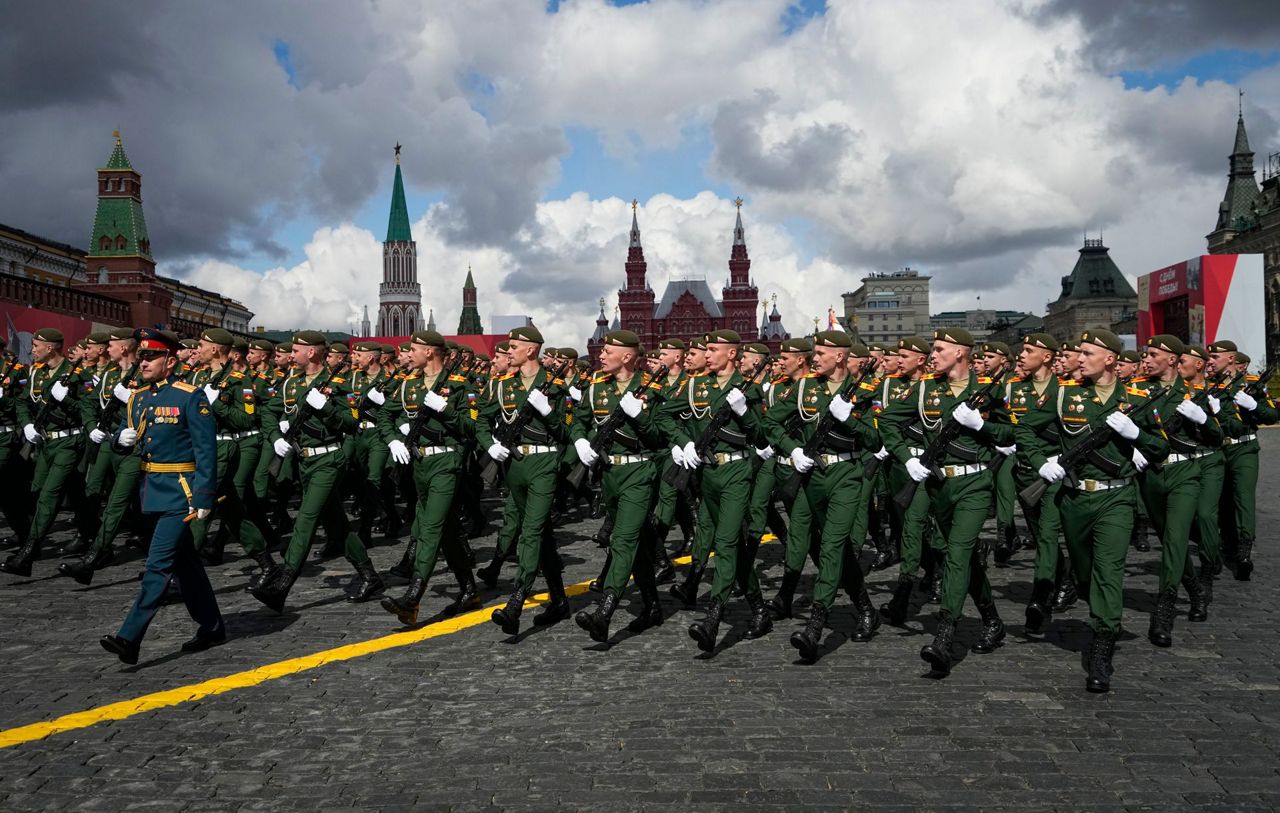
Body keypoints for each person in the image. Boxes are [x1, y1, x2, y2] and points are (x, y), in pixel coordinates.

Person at [1017, 329, 1167, 692]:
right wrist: (1041, 463)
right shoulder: (1063, 395)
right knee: (1086, 575)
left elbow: (1161, 449)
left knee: (1109, 570)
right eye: (1079, 353)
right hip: (1074, 500)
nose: (1078, 359)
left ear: (1111, 359)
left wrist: (1135, 435)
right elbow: (1025, 430)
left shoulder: (1137, 398)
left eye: (1087, 353)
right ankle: (1090, 597)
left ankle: (1102, 642)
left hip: (1116, 498)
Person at [878, 328, 1013, 675]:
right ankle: (992, 620)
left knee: (956, 554)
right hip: (939, 485)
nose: (932, 355)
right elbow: (889, 420)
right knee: (964, 557)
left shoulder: (987, 391)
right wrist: (908, 457)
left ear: (961, 353)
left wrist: (982, 425)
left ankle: (945, 634)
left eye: (939, 349)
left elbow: (1012, 434)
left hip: (974, 483)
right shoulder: (925, 389)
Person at [99, 328, 224, 665]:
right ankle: (212, 626)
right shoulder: (139, 397)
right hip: (152, 491)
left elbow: (206, 451)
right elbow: (138, 441)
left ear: (170, 361)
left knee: (157, 566)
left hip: (180, 493)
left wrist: (203, 496)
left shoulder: (189, 396)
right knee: (186, 565)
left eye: (151, 356)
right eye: (142, 356)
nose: (144, 362)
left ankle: (130, 637)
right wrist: (118, 440)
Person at [764, 330, 882, 661]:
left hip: (846, 475)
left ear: (841, 357)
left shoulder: (864, 391)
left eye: (821, 353)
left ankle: (816, 624)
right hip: (811, 474)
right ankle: (867, 609)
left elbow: (875, 441)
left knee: (831, 545)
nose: (814, 358)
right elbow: (769, 424)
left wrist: (852, 423)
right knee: (834, 547)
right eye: (814, 352)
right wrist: (792, 449)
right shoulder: (804, 389)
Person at [250, 331, 384, 612]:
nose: (290, 354)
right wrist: (275, 436)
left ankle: (282, 584)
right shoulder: (291, 384)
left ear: (311, 352)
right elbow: (268, 412)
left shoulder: (338, 384)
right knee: (337, 524)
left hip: (329, 459)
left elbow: (351, 422)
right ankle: (370, 576)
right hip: (304, 462)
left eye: (296, 349)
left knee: (306, 518)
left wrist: (325, 409)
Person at [378, 331, 481, 625]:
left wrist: (445, 410)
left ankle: (413, 598)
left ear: (431, 352)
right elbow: (385, 415)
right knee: (445, 529)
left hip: (446, 462)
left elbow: (470, 428)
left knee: (429, 528)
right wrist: (393, 440)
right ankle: (469, 589)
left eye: (414, 349)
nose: (409, 354)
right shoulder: (408, 385)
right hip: (419, 463)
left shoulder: (460, 386)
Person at [571, 330, 668, 641]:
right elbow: (579, 422)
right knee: (636, 543)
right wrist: (580, 441)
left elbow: (657, 438)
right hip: (609, 475)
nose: (601, 354)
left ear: (627, 356)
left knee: (622, 540)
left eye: (608, 350)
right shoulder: (596, 386)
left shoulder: (652, 389)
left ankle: (605, 610)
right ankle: (652, 606)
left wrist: (639, 416)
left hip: (640, 473)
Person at [477, 326, 573, 635]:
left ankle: (517, 600)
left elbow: (568, 433)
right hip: (515, 466)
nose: (509, 350)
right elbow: (481, 419)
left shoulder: (555, 387)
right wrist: (490, 443)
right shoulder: (505, 386)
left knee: (530, 532)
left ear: (531, 350)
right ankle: (559, 600)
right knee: (540, 533)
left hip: (544, 462)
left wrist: (549, 414)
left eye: (514, 346)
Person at [3, 328, 85, 577]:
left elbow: (88, 409)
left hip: (70, 442)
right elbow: (23, 402)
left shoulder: (77, 374)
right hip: (45, 443)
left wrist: (67, 401)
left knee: (50, 495)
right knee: (47, 492)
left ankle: (28, 552)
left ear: (50, 348)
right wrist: (27, 424)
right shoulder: (37, 371)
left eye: (36, 345)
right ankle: (91, 533)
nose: (32, 349)